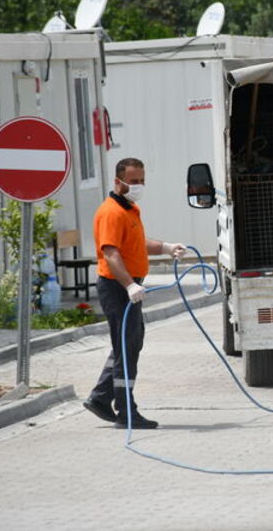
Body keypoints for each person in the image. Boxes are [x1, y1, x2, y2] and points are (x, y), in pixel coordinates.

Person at [82, 158, 186, 429]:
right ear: (118, 181)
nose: (138, 185)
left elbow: (138, 244)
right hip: (116, 288)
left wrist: (166, 247)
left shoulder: (130, 210)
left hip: (127, 287)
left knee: (129, 344)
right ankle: (126, 411)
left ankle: (101, 398)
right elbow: (111, 253)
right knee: (126, 349)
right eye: (133, 181)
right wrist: (129, 285)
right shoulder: (111, 213)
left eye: (142, 180)